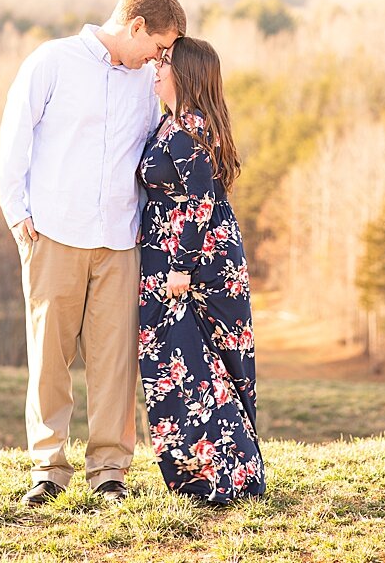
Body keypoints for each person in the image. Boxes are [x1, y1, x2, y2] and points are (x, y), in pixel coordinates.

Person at [0, 0, 186, 505]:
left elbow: (155, 153)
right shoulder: (52, 61)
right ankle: (48, 467)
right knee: (50, 358)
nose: (160, 58)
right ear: (136, 27)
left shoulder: (145, 82)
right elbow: (15, 135)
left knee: (114, 361)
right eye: (158, 46)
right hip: (52, 233)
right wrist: (17, 214)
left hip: (121, 240)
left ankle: (109, 471)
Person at [137, 35, 264, 503]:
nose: (156, 68)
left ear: (185, 75)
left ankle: (227, 479)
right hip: (183, 266)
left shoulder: (189, 127)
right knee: (198, 371)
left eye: (165, 62)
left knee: (196, 372)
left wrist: (180, 268)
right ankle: (212, 477)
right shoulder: (175, 125)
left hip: (191, 271)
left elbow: (201, 200)